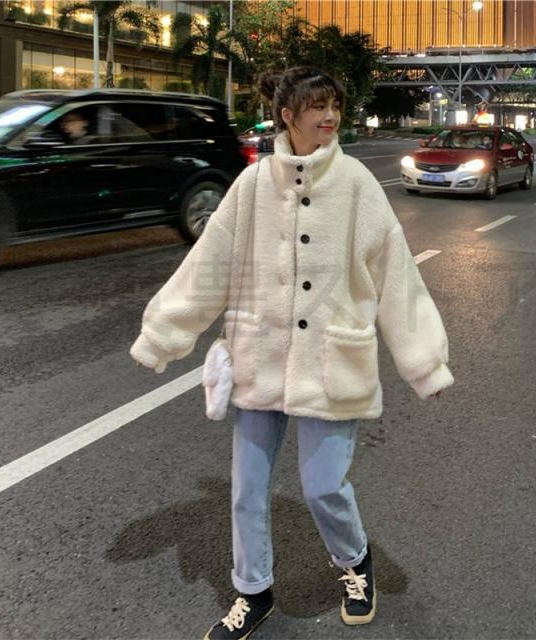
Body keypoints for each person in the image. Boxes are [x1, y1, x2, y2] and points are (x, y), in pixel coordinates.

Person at [130, 66, 454, 639]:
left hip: (332, 363)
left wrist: (423, 361)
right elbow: (209, 265)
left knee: (323, 486)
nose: (330, 117)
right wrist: (163, 333)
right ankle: (252, 591)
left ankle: (355, 561)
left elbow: (396, 275)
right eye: (317, 107)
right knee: (247, 490)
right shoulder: (254, 185)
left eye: (335, 106)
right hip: (259, 357)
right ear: (287, 115)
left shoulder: (356, 183)